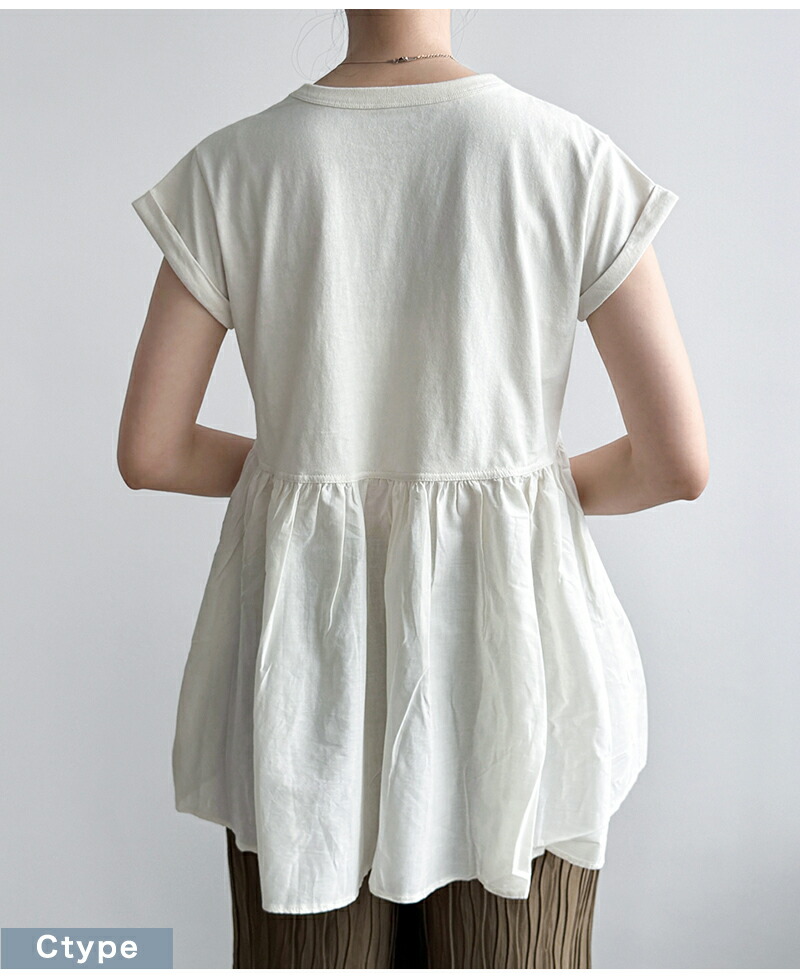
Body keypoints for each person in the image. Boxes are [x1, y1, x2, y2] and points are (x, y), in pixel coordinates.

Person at [118, 8, 708, 969]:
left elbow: (153, 453)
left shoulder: (231, 169)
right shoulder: (568, 157)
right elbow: (674, 463)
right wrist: (516, 490)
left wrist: (314, 467)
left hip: (308, 675)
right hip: (514, 665)